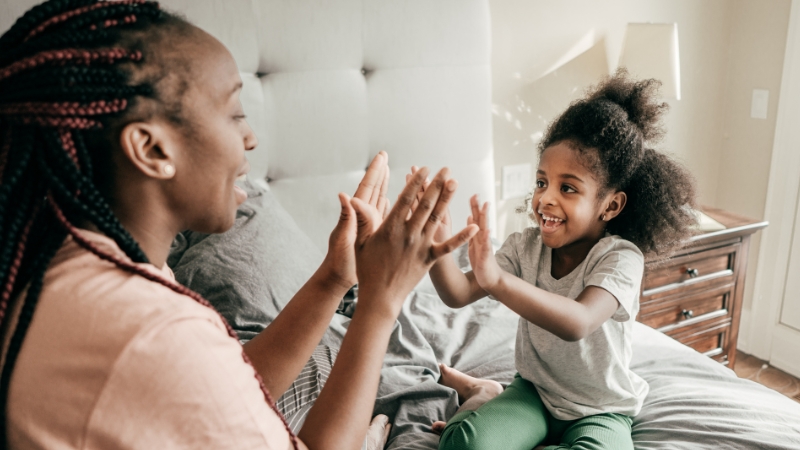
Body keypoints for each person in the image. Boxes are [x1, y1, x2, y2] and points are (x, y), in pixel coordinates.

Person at [0, 1, 479, 449]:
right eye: (234, 113)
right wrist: (381, 302)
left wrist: (337, 275)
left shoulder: (72, 267)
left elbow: (224, 381)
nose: (250, 139)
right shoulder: (154, 330)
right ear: (151, 149)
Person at [417, 70, 698, 450]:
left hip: (600, 409)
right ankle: (485, 394)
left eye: (567, 188)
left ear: (610, 205)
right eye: (540, 182)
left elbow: (577, 322)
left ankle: (486, 394)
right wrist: (434, 245)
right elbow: (456, 294)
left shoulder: (620, 258)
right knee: (464, 445)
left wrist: (497, 281)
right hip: (533, 393)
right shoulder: (523, 247)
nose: (546, 198)